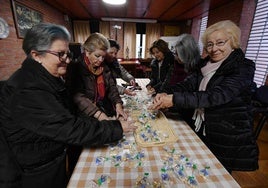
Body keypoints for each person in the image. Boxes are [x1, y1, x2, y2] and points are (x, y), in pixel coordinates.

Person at [0, 23, 137, 188]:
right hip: (34, 171)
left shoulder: (47, 78)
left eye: (68, 53)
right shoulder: (27, 89)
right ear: (36, 55)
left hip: (48, 159)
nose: (67, 60)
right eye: (60, 54)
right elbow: (68, 126)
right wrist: (116, 127)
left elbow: (71, 113)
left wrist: (115, 107)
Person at [149, 20, 259, 173]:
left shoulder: (243, 67)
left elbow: (216, 96)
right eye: (209, 44)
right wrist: (166, 93)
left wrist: (173, 100)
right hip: (201, 125)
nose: (214, 49)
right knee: (199, 169)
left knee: (219, 174)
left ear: (233, 42)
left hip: (226, 133)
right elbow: (187, 84)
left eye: (220, 42)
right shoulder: (205, 64)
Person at [66, 33, 127, 121]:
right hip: (85, 114)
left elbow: (112, 88)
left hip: (101, 107)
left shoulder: (104, 66)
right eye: (97, 56)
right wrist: (100, 115)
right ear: (87, 52)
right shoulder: (76, 68)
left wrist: (118, 105)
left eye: (103, 56)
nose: (100, 60)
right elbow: (79, 98)